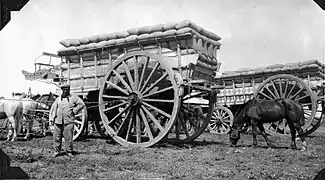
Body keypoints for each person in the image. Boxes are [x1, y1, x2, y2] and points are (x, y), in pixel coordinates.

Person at [49, 84, 85, 158]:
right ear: (62, 90)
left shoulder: (73, 97)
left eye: (67, 89)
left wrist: (74, 111)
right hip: (58, 121)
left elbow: (81, 104)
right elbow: (54, 109)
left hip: (69, 120)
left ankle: (69, 152)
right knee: (56, 137)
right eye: (64, 89)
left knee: (68, 137)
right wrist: (52, 118)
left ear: (69, 90)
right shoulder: (58, 99)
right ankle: (56, 151)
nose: (65, 91)